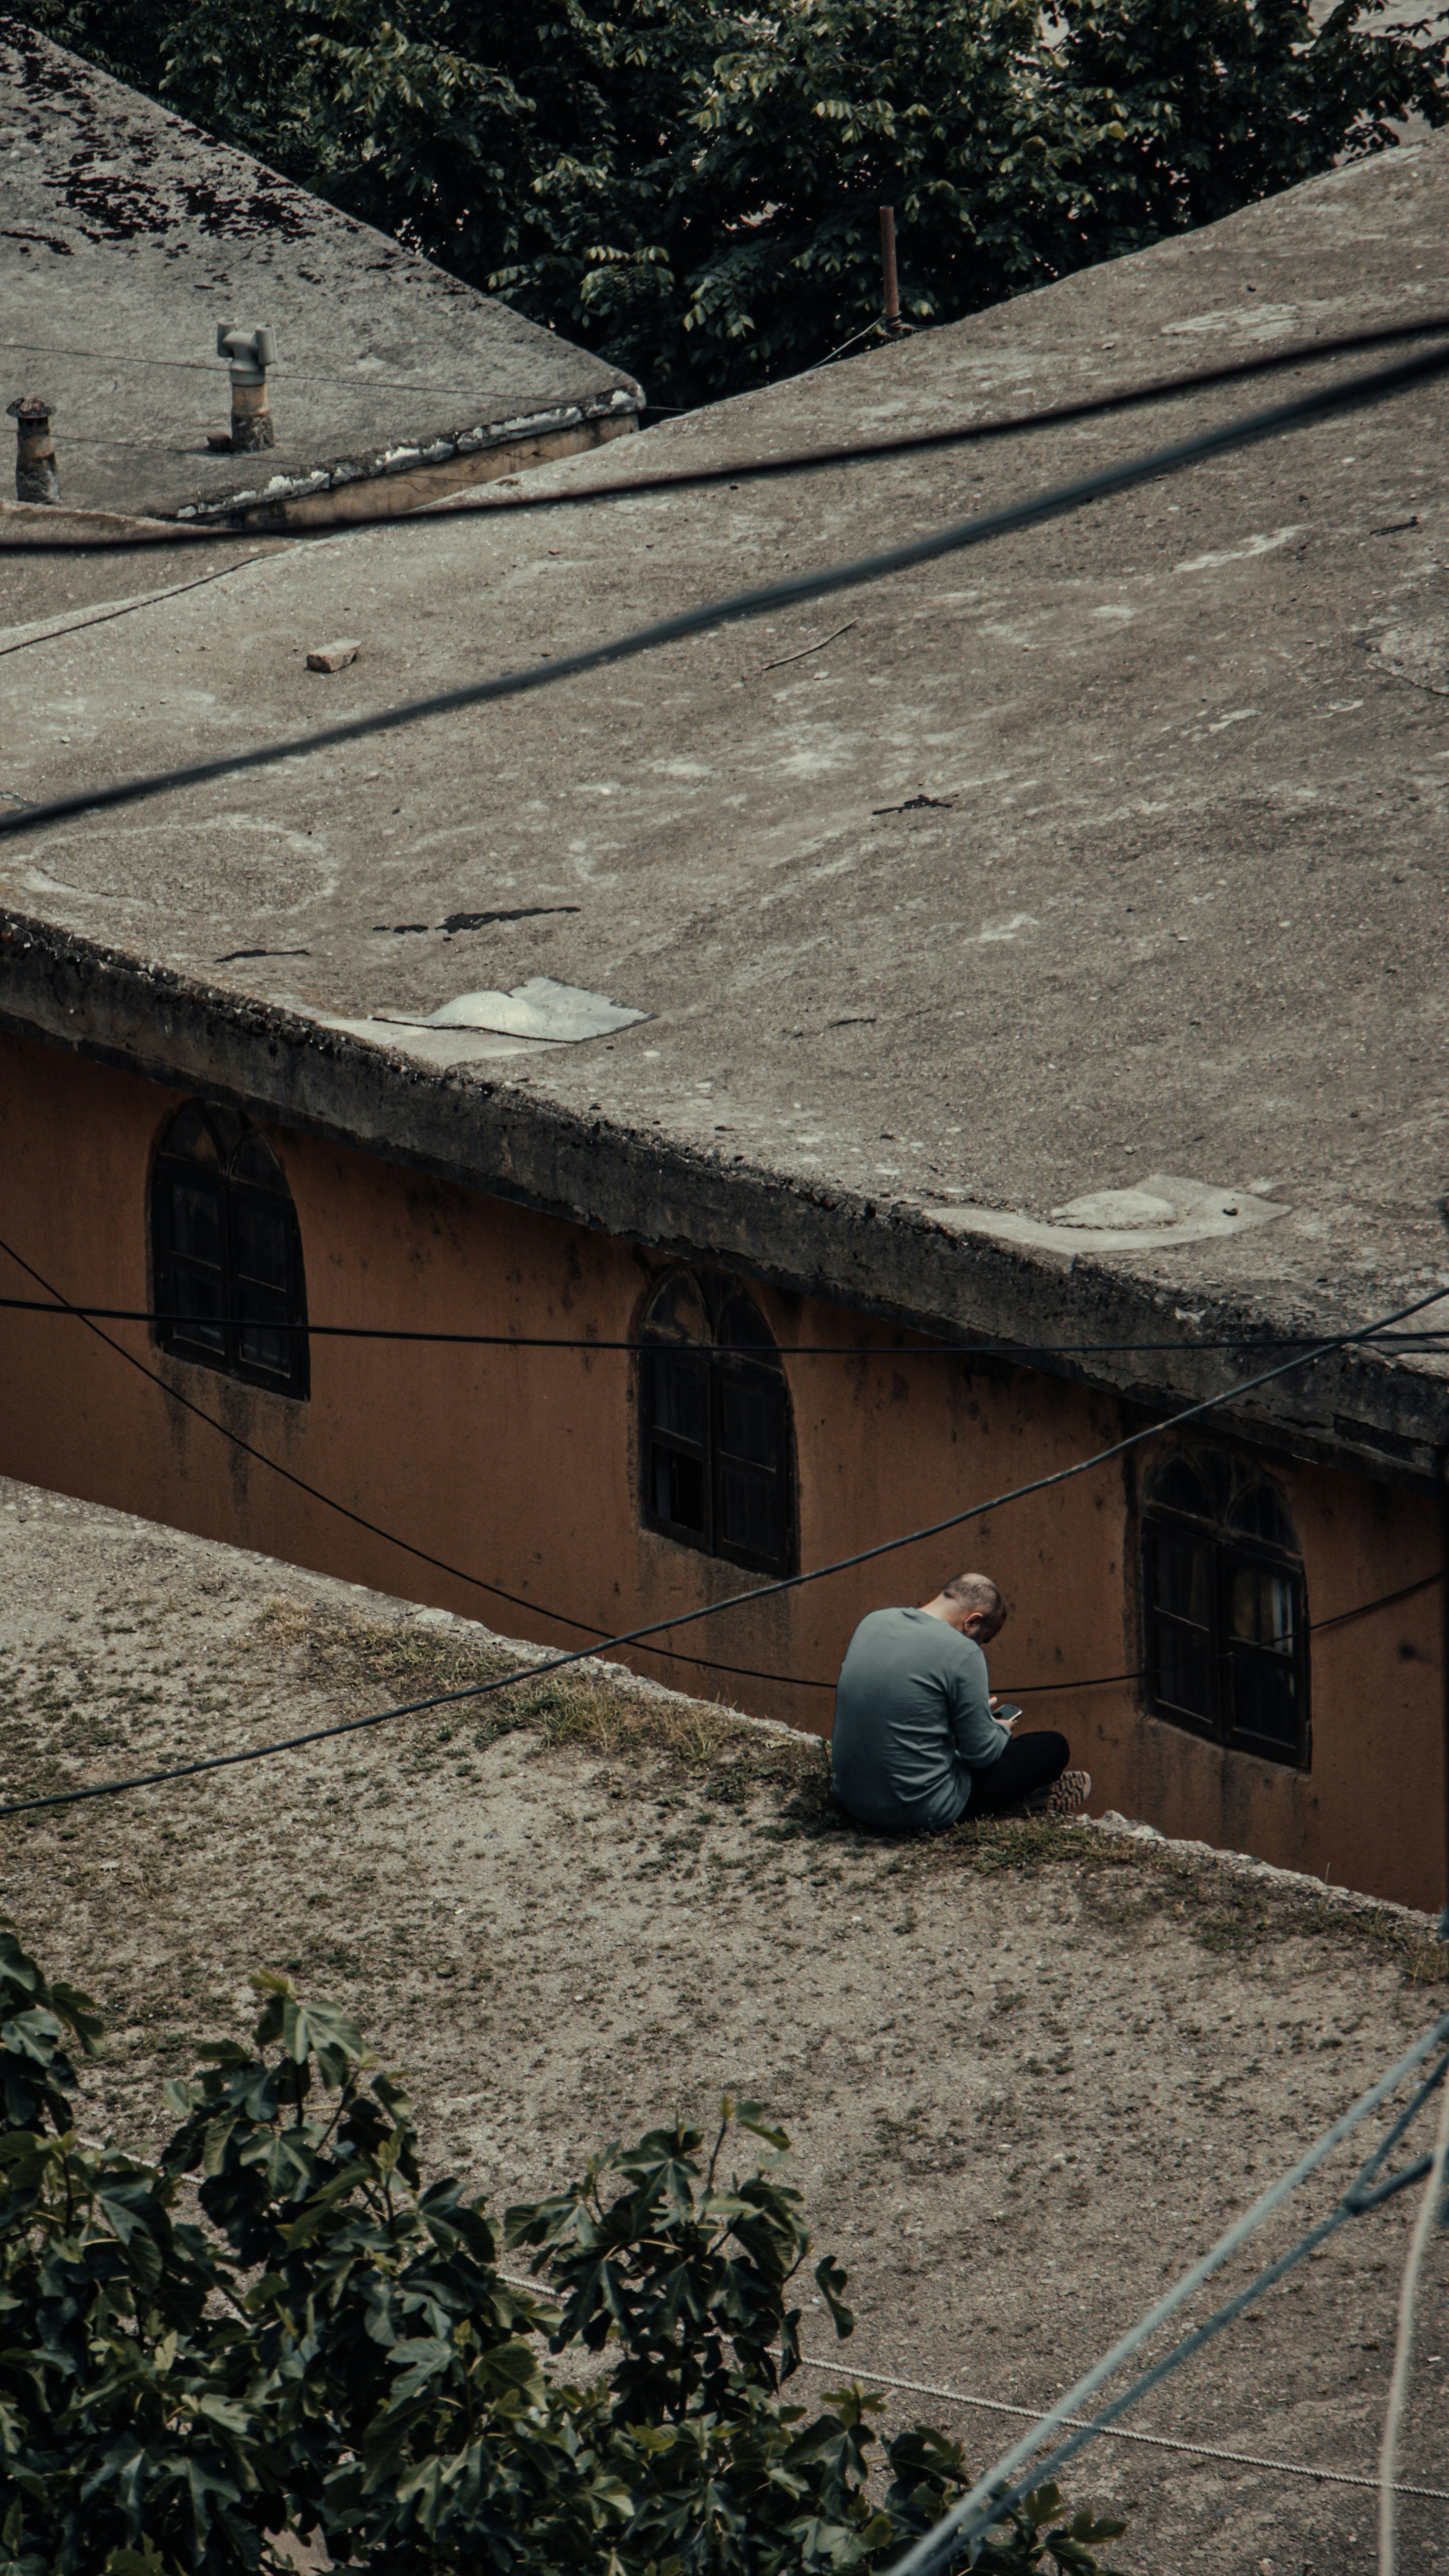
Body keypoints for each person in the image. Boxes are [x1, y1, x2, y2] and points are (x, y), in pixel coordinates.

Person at [830, 1571, 1090, 1834]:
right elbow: (981, 1754)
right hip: (917, 1811)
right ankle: (1022, 1801)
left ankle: (1022, 1800)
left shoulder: (874, 1621)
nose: (981, 1646)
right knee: (1052, 1746)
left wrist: (960, 1714)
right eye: (984, 1638)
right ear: (973, 1622)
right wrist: (1000, 1728)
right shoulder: (964, 1651)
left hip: (851, 1800)